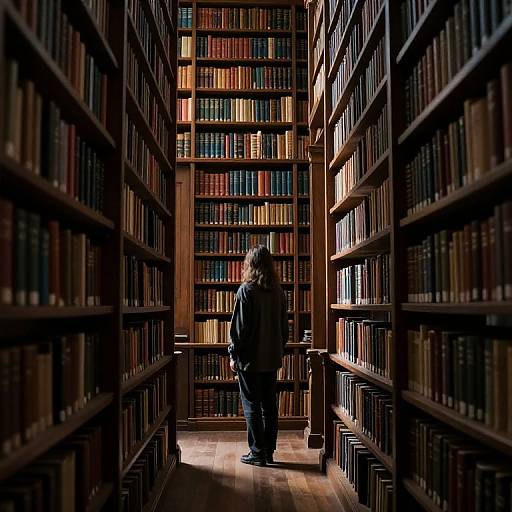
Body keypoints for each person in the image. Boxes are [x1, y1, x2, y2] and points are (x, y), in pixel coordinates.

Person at [228, 245, 289, 467]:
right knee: (269, 407)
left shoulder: (246, 291)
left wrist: (233, 355)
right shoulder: (279, 292)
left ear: (250, 266)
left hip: (250, 361)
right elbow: (284, 330)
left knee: (251, 406)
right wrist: (276, 350)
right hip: (271, 360)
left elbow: (239, 330)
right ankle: (269, 451)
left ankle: (257, 453)